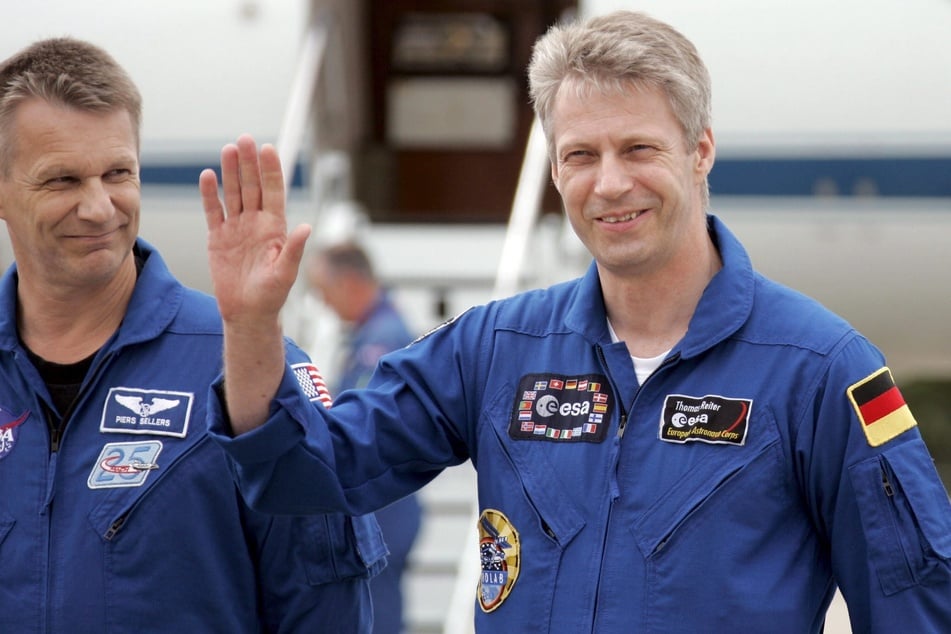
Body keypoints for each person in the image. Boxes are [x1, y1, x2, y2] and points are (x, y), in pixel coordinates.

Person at [200, 10, 951, 633]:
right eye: (581, 155)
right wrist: (250, 323)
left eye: (638, 148)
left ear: (700, 151)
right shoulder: (494, 349)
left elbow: (913, 602)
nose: (609, 183)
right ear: (555, 171)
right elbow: (303, 473)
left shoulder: (821, 368)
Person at [0, 37, 386, 632]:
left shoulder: (248, 368)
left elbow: (326, 608)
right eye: (62, 180)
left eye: (117, 173)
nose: (99, 208)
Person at [307, 242, 423, 634]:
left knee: (376, 619)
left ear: (350, 283)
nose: (326, 303)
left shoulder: (382, 341)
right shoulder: (377, 333)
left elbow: (362, 424)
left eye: (325, 291)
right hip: (384, 502)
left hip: (382, 506)